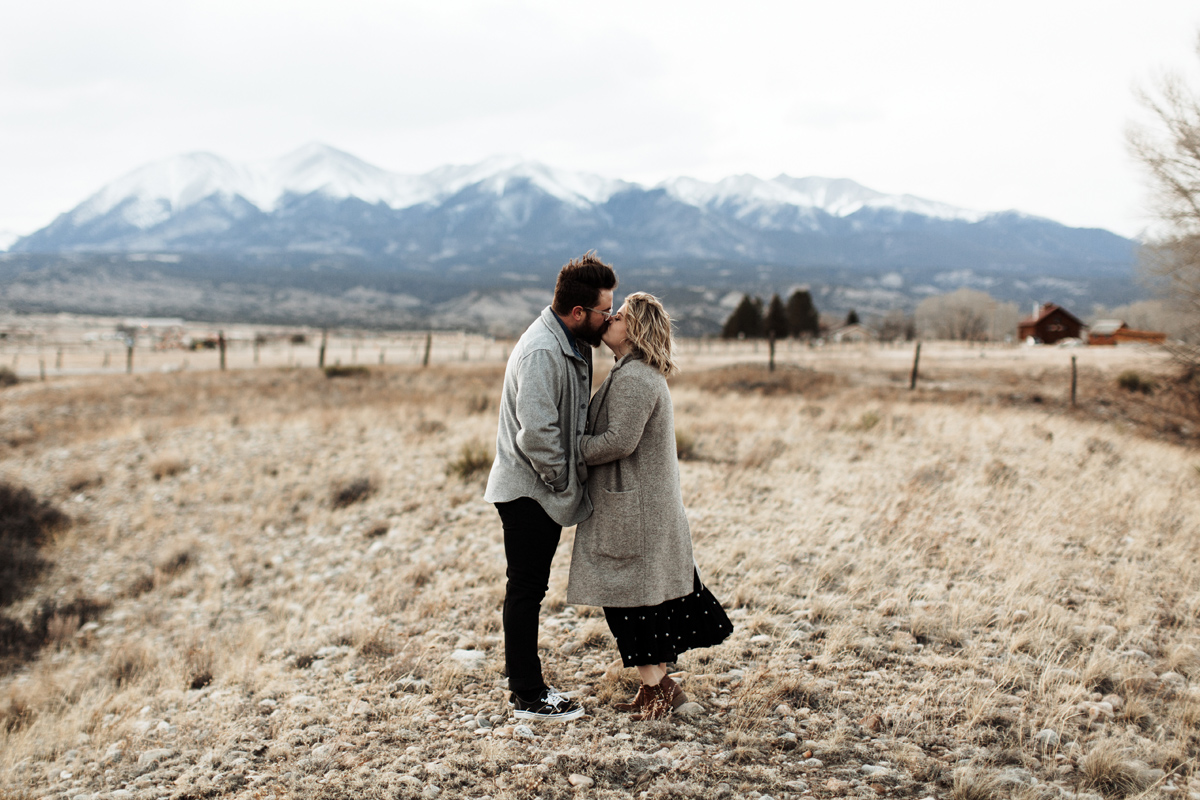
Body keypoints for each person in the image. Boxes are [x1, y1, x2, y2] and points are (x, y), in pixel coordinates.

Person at [567, 292, 733, 720]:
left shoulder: (637, 377)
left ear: (635, 329)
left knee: (630, 603)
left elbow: (619, 441)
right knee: (640, 602)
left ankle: (659, 690)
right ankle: (657, 690)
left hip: (636, 511)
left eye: (619, 316)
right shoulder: (633, 372)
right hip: (638, 508)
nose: (610, 319)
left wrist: (572, 448)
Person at [484, 252, 618, 722]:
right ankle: (527, 694)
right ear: (578, 313)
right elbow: (537, 433)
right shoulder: (543, 350)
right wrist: (562, 482)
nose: (610, 319)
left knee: (528, 589)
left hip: (539, 489)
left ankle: (528, 688)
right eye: (605, 311)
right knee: (526, 589)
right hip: (529, 491)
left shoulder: (571, 343)